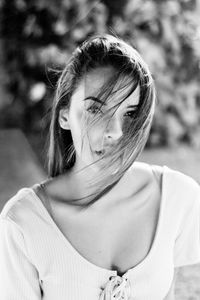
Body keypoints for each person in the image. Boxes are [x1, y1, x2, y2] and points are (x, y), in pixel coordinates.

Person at [0, 35, 200, 300]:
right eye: (96, 110)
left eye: (129, 113)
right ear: (64, 116)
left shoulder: (177, 197)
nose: (115, 132)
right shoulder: (23, 223)